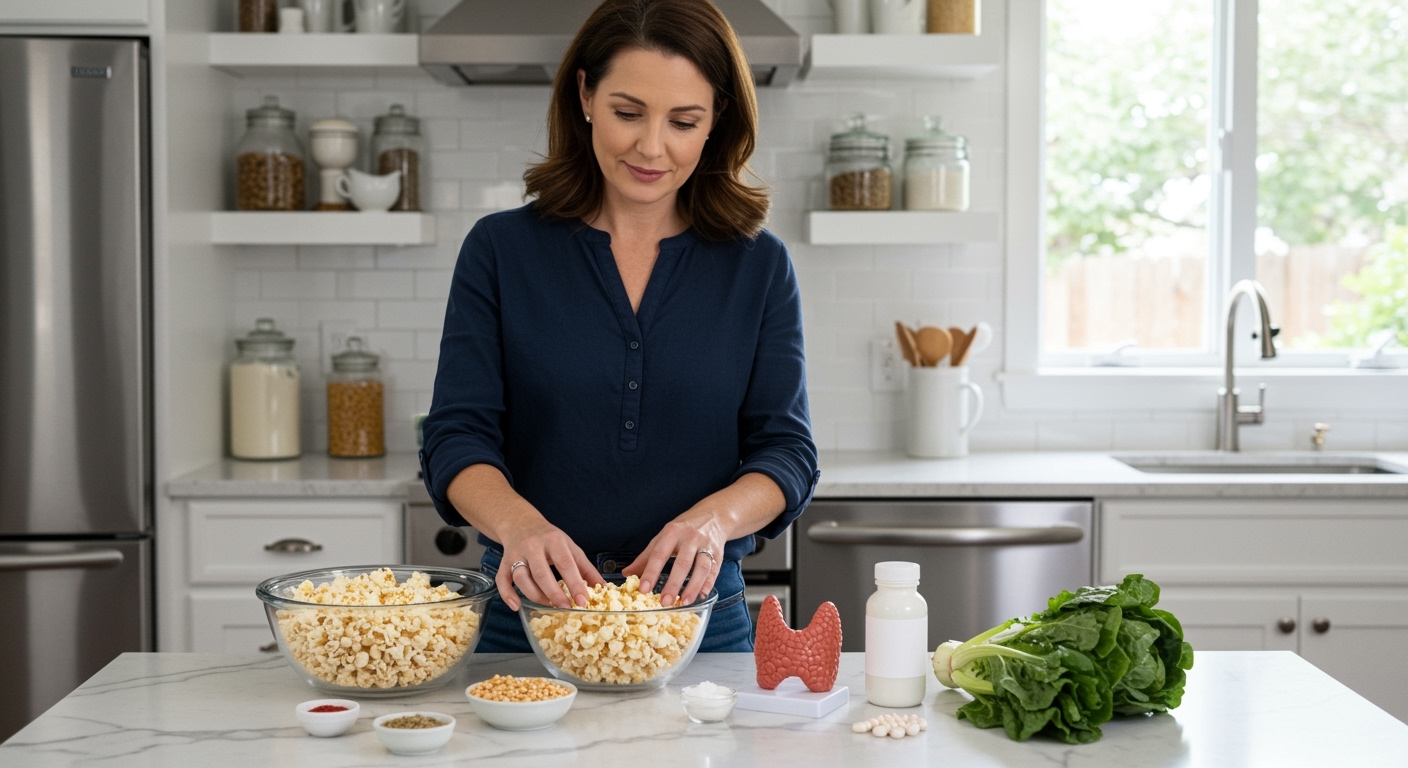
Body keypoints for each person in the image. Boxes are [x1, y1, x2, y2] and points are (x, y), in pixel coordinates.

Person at [420, 0, 818, 654]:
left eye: (683, 121)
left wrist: (712, 524)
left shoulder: (759, 264)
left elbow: (787, 453)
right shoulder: (501, 250)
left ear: (716, 120)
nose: (651, 146)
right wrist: (520, 527)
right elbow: (456, 436)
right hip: (527, 617)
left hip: (698, 623)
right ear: (584, 95)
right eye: (627, 112)